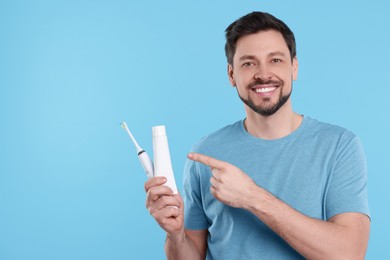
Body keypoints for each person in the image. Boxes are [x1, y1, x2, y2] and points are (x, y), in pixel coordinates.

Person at [145, 11, 370, 259]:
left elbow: (349, 253)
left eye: (275, 60)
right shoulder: (205, 154)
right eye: (249, 63)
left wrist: (252, 197)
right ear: (232, 75)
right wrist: (175, 235)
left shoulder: (339, 146)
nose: (263, 74)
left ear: (294, 67)